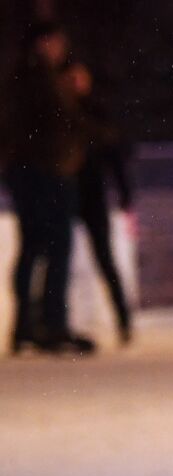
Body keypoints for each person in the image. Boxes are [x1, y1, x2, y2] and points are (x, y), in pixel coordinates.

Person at [1, 21, 94, 355]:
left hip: (32, 169)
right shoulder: (41, 79)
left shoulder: (21, 77)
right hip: (46, 170)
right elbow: (61, 121)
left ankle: (28, 326)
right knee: (54, 247)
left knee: (35, 247)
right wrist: (75, 92)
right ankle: (51, 325)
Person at [68, 62, 135, 345]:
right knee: (59, 260)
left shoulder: (95, 114)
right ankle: (54, 322)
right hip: (65, 195)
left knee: (104, 259)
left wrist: (124, 193)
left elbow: (114, 155)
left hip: (91, 195)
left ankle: (124, 320)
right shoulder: (60, 115)